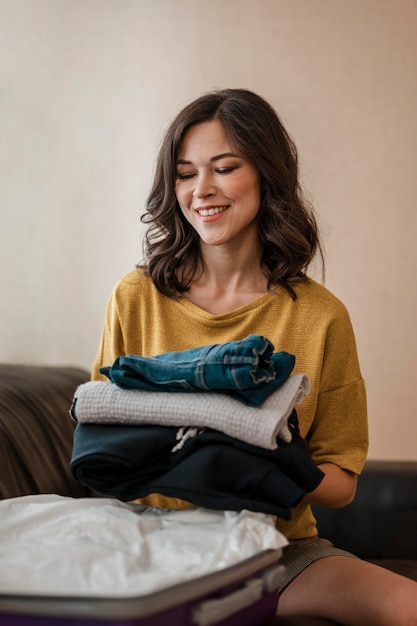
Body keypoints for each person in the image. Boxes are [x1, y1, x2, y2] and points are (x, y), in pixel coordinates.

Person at [91, 88, 417, 624]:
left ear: (266, 174)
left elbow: (342, 486)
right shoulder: (136, 296)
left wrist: (284, 467)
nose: (202, 190)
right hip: (154, 546)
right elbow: (100, 441)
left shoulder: (320, 315)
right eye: (185, 173)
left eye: (224, 167)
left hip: (275, 551)